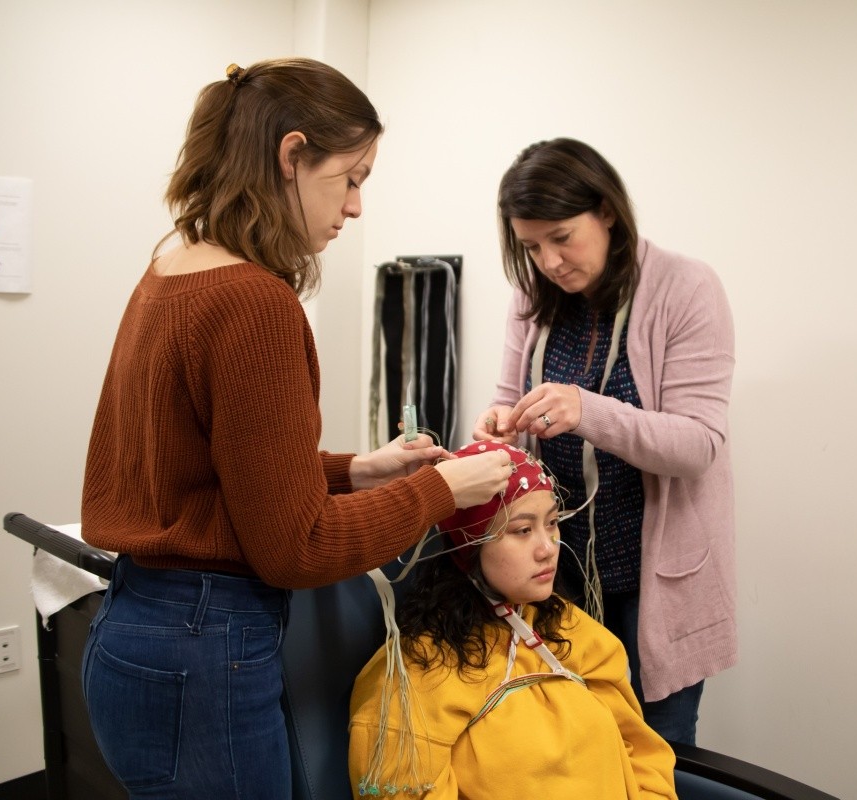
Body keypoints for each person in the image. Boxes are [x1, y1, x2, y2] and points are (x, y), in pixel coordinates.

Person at [79, 58, 512, 800]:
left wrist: (356, 470)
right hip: (205, 652)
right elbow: (297, 548)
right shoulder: (256, 303)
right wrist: (442, 489)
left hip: (133, 632)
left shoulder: (172, 269)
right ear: (291, 156)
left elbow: (209, 469)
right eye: (351, 177)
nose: (356, 207)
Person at [472, 137, 736, 747]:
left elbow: (699, 444)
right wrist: (498, 422)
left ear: (608, 212)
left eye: (562, 237)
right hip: (557, 575)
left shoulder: (687, 288)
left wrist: (587, 410)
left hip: (653, 584)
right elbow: (509, 399)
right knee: (570, 753)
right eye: (531, 246)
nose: (550, 261)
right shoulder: (532, 299)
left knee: (655, 753)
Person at [349, 441, 677, 799]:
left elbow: (644, 757)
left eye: (552, 523)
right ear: (470, 545)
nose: (548, 548)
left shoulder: (572, 631)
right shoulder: (420, 671)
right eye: (523, 530)